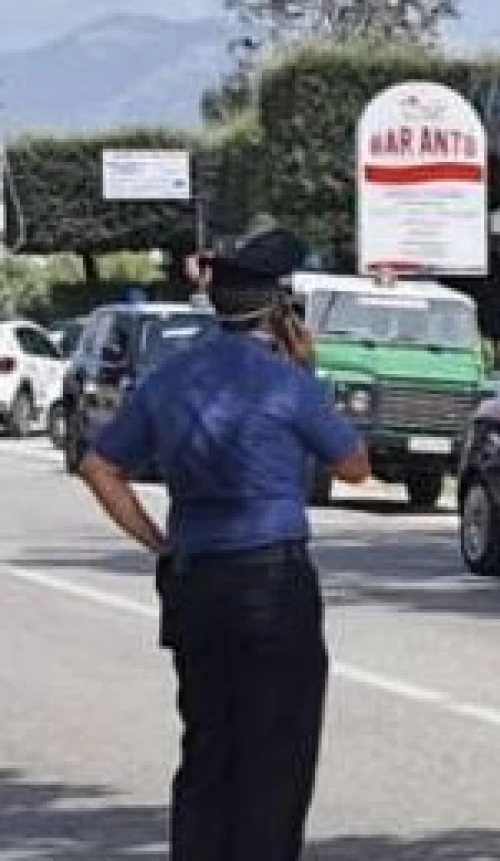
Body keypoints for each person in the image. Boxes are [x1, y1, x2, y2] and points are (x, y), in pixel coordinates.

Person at [76, 226, 370, 860]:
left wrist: (156, 541)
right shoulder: (287, 383)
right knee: (275, 753)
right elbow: (354, 467)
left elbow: (100, 466)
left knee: (207, 746)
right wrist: (307, 369)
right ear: (277, 308)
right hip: (272, 580)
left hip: (193, 579)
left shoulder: (167, 380)